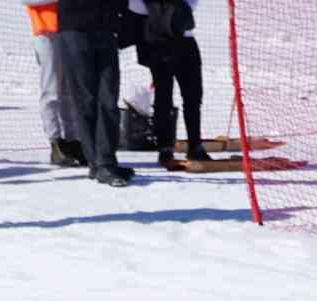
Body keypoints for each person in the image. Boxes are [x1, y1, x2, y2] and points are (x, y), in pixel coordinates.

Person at [57, 0, 134, 186]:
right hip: (75, 28)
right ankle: (98, 163)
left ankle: (106, 161)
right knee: (86, 99)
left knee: (109, 98)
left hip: (105, 28)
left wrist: (122, 20)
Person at [133, 0, 210, 165]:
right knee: (164, 98)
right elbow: (136, 7)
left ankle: (194, 145)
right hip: (159, 42)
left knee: (191, 97)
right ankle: (166, 148)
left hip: (183, 41)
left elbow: (192, 4)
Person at [24, 0, 86, 166]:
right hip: (45, 31)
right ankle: (56, 142)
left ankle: (73, 140)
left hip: (70, 27)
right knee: (51, 89)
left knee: (69, 88)